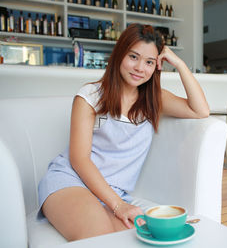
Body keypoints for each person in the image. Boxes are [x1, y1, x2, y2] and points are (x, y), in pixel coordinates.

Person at [38, 23, 210, 241]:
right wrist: (118, 205)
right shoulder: (90, 95)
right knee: (99, 236)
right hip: (71, 181)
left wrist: (178, 63)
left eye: (149, 62)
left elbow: (201, 110)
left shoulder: (154, 99)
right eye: (133, 57)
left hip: (113, 192)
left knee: (141, 241)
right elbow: (79, 159)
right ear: (120, 55)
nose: (140, 67)